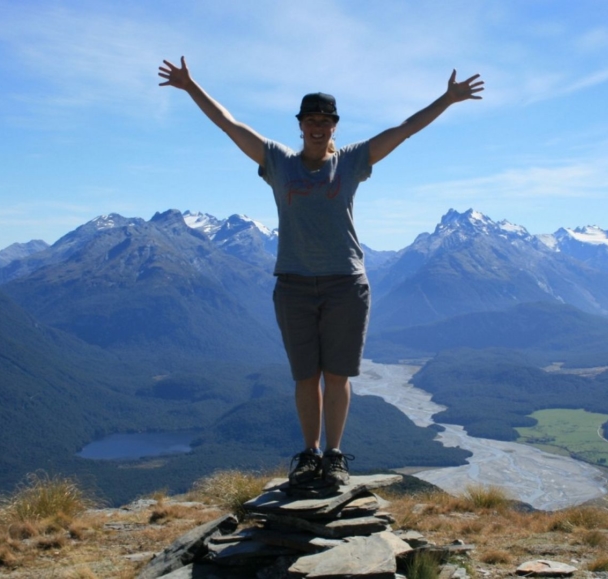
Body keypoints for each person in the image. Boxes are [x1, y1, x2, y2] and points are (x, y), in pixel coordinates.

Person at [158, 56, 483, 488]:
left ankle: (333, 454)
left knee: (337, 376)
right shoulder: (277, 161)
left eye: (324, 120)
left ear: (334, 126)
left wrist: (447, 98)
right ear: (300, 125)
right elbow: (228, 124)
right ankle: (309, 453)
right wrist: (190, 86)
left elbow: (403, 130)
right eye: (310, 119)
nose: (317, 126)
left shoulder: (350, 162)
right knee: (305, 377)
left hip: (345, 284)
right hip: (292, 284)